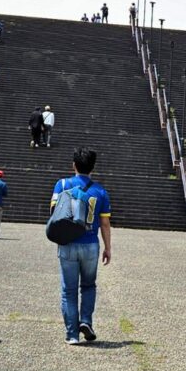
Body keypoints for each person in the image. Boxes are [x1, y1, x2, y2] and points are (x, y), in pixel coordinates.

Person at [50, 147, 112, 345]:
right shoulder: (100, 191)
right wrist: (108, 248)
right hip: (91, 244)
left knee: (69, 290)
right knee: (88, 285)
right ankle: (85, 321)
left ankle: (72, 334)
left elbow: (54, 212)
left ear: (73, 165)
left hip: (68, 242)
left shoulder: (62, 184)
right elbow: (105, 223)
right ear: (93, 167)